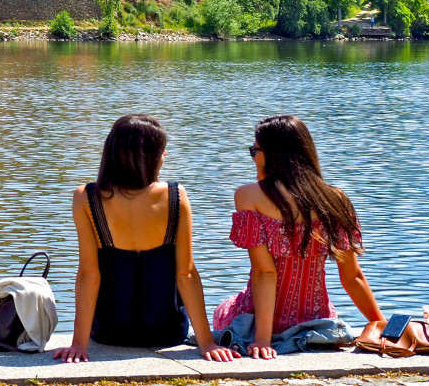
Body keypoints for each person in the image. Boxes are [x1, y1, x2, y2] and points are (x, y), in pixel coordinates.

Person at [54, 114, 240, 363]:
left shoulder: (87, 197)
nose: (164, 156)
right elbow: (186, 274)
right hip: (167, 333)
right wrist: (207, 343)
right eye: (162, 150)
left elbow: (90, 274)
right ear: (149, 156)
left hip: (109, 332)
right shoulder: (175, 195)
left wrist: (78, 344)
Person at [213, 115, 385, 360]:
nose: (253, 157)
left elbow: (266, 273)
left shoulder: (249, 195)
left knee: (224, 309)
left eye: (254, 150)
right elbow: (352, 276)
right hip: (317, 320)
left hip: (261, 320)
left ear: (272, 153)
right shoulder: (336, 200)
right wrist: (380, 323)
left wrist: (262, 339)